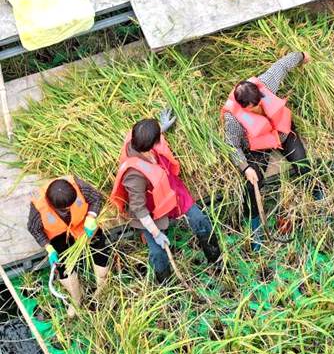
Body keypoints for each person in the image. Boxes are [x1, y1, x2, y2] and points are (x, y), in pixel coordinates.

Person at [110, 113, 221, 283]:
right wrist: (155, 233)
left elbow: (150, 137)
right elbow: (139, 209)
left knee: (200, 220)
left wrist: (161, 127)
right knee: (157, 252)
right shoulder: (134, 175)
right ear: (150, 145)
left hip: (171, 191)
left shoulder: (141, 141)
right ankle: (166, 283)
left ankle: (216, 260)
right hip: (151, 208)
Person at [222, 51, 315, 250]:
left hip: (281, 133)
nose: (257, 109)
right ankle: (255, 224)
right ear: (242, 106)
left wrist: (302, 56)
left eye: (258, 104)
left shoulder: (266, 84)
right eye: (252, 108)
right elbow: (232, 144)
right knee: (253, 183)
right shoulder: (233, 119)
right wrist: (245, 167)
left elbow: (282, 65)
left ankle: (315, 194)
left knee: (302, 163)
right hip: (258, 147)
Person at [28, 176, 109, 317]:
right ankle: (76, 298)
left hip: (83, 227)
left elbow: (96, 197)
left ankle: (101, 289)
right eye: (64, 209)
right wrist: (49, 248)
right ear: (51, 204)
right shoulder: (38, 206)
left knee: (100, 251)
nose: (68, 209)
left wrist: (91, 216)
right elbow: (34, 229)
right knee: (64, 266)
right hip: (59, 234)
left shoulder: (78, 186)